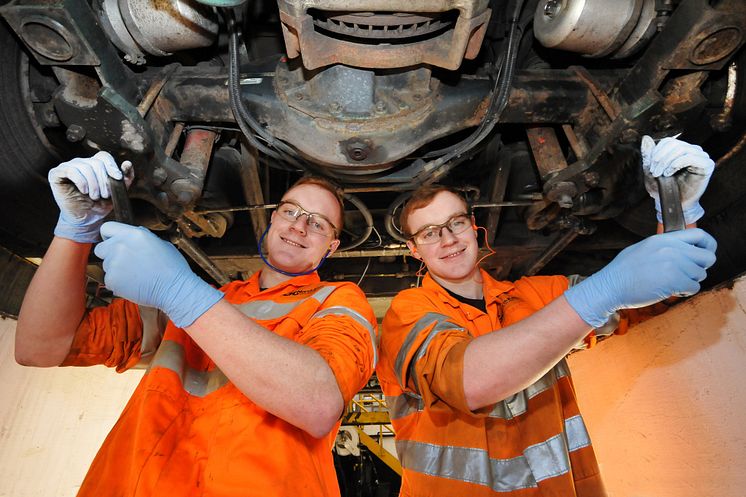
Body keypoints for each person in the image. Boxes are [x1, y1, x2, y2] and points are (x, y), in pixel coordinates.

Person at [15, 151, 378, 497]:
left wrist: (180, 292)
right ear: (272, 219)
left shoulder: (336, 300)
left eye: (317, 223)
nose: (299, 226)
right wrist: (75, 232)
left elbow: (317, 404)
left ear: (331, 247)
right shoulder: (202, 297)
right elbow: (40, 347)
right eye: (290, 211)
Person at [376, 136, 718, 496]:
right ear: (414, 251)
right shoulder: (408, 313)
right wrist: (601, 291)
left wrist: (677, 210)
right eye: (430, 233)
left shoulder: (537, 296)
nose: (447, 239)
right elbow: (467, 383)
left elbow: (657, 298)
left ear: (474, 226)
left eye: (455, 223)